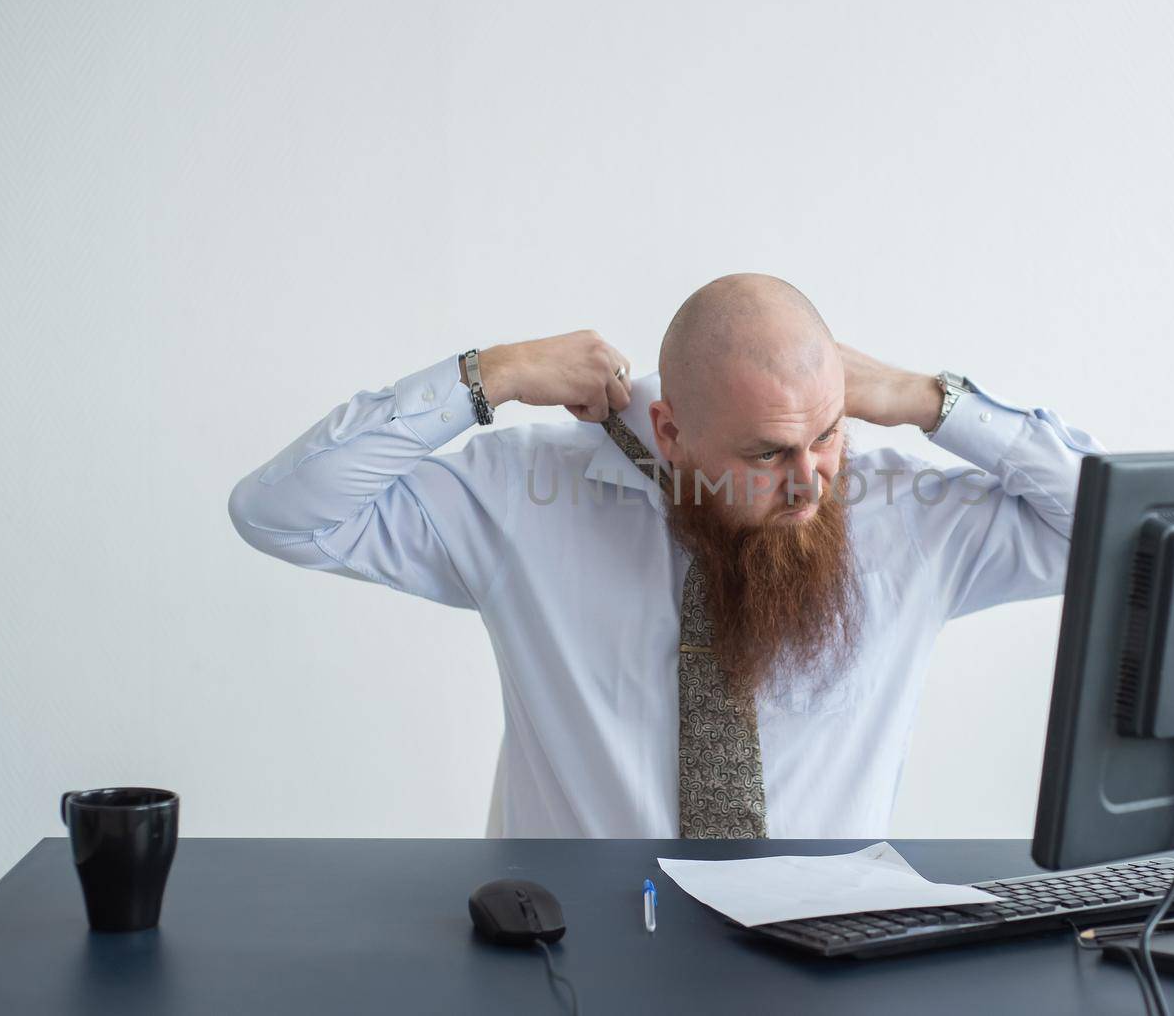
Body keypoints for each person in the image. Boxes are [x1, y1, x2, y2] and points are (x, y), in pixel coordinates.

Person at [228, 273, 1101, 839]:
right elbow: (284, 515)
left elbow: (1113, 532)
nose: (809, 483)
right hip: (578, 962)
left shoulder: (906, 511)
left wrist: (929, 400)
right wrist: (484, 376)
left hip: (831, 963)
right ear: (670, 430)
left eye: (826, 437)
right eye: (766, 454)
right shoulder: (525, 501)